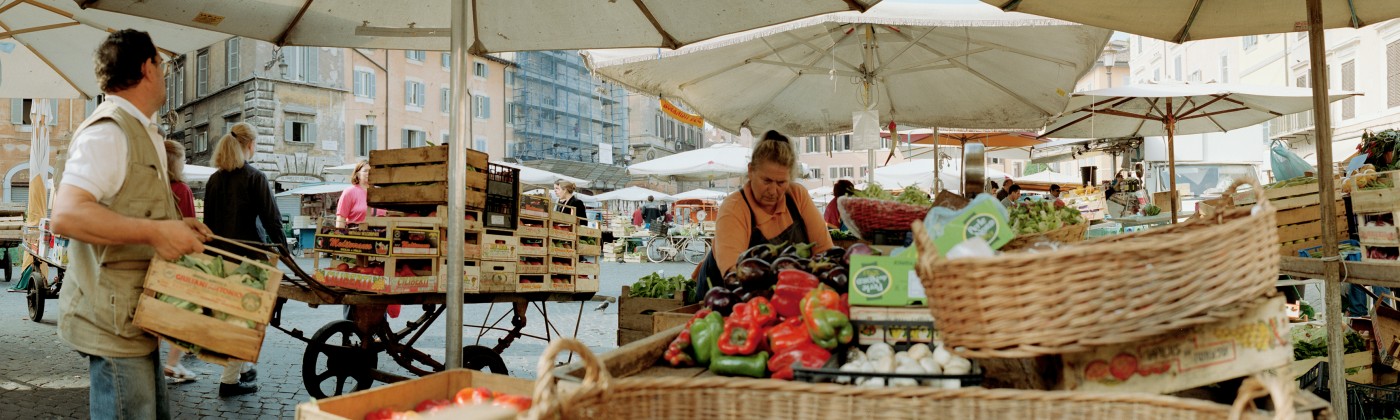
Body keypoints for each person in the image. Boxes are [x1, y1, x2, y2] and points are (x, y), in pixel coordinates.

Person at [52, 29, 212, 420]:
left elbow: (129, 207)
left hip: (133, 318)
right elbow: (67, 215)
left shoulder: (141, 130)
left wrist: (176, 224)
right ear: (147, 68)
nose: (165, 74)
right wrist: (157, 232)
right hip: (112, 323)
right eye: (162, 64)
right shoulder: (109, 132)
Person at [697, 130, 833, 301]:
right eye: (766, 181)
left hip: (784, 298)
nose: (773, 191)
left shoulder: (797, 196)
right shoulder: (734, 208)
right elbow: (735, 275)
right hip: (726, 301)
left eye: (781, 182)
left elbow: (824, 252)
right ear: (751, 171)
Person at [202, 121, 284, 398]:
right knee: (243, 319)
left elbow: (209, 224)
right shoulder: (254, 177)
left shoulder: (214, 180)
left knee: (233, 316)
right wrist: (282, 249)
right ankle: (229, 381)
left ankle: (244, 368)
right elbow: (272, 219)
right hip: (249, 259)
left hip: (220, 259)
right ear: (249, 145)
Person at [162, 140, 199, 384]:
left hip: (155, 258)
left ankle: (157, 363)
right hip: (178, 259)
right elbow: (190, 226)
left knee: (156, 313)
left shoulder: (153, 187)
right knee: (187, 312)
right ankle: (173, 362)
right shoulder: (181, 190)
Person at [336, 160, 383, 228]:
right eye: (365, 171)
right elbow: (341, 219)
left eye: (371, 171)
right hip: (356, 234)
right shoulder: (349, 192)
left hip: (382, 235)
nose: (369, 173)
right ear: (357, 174)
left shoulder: (382, 192)